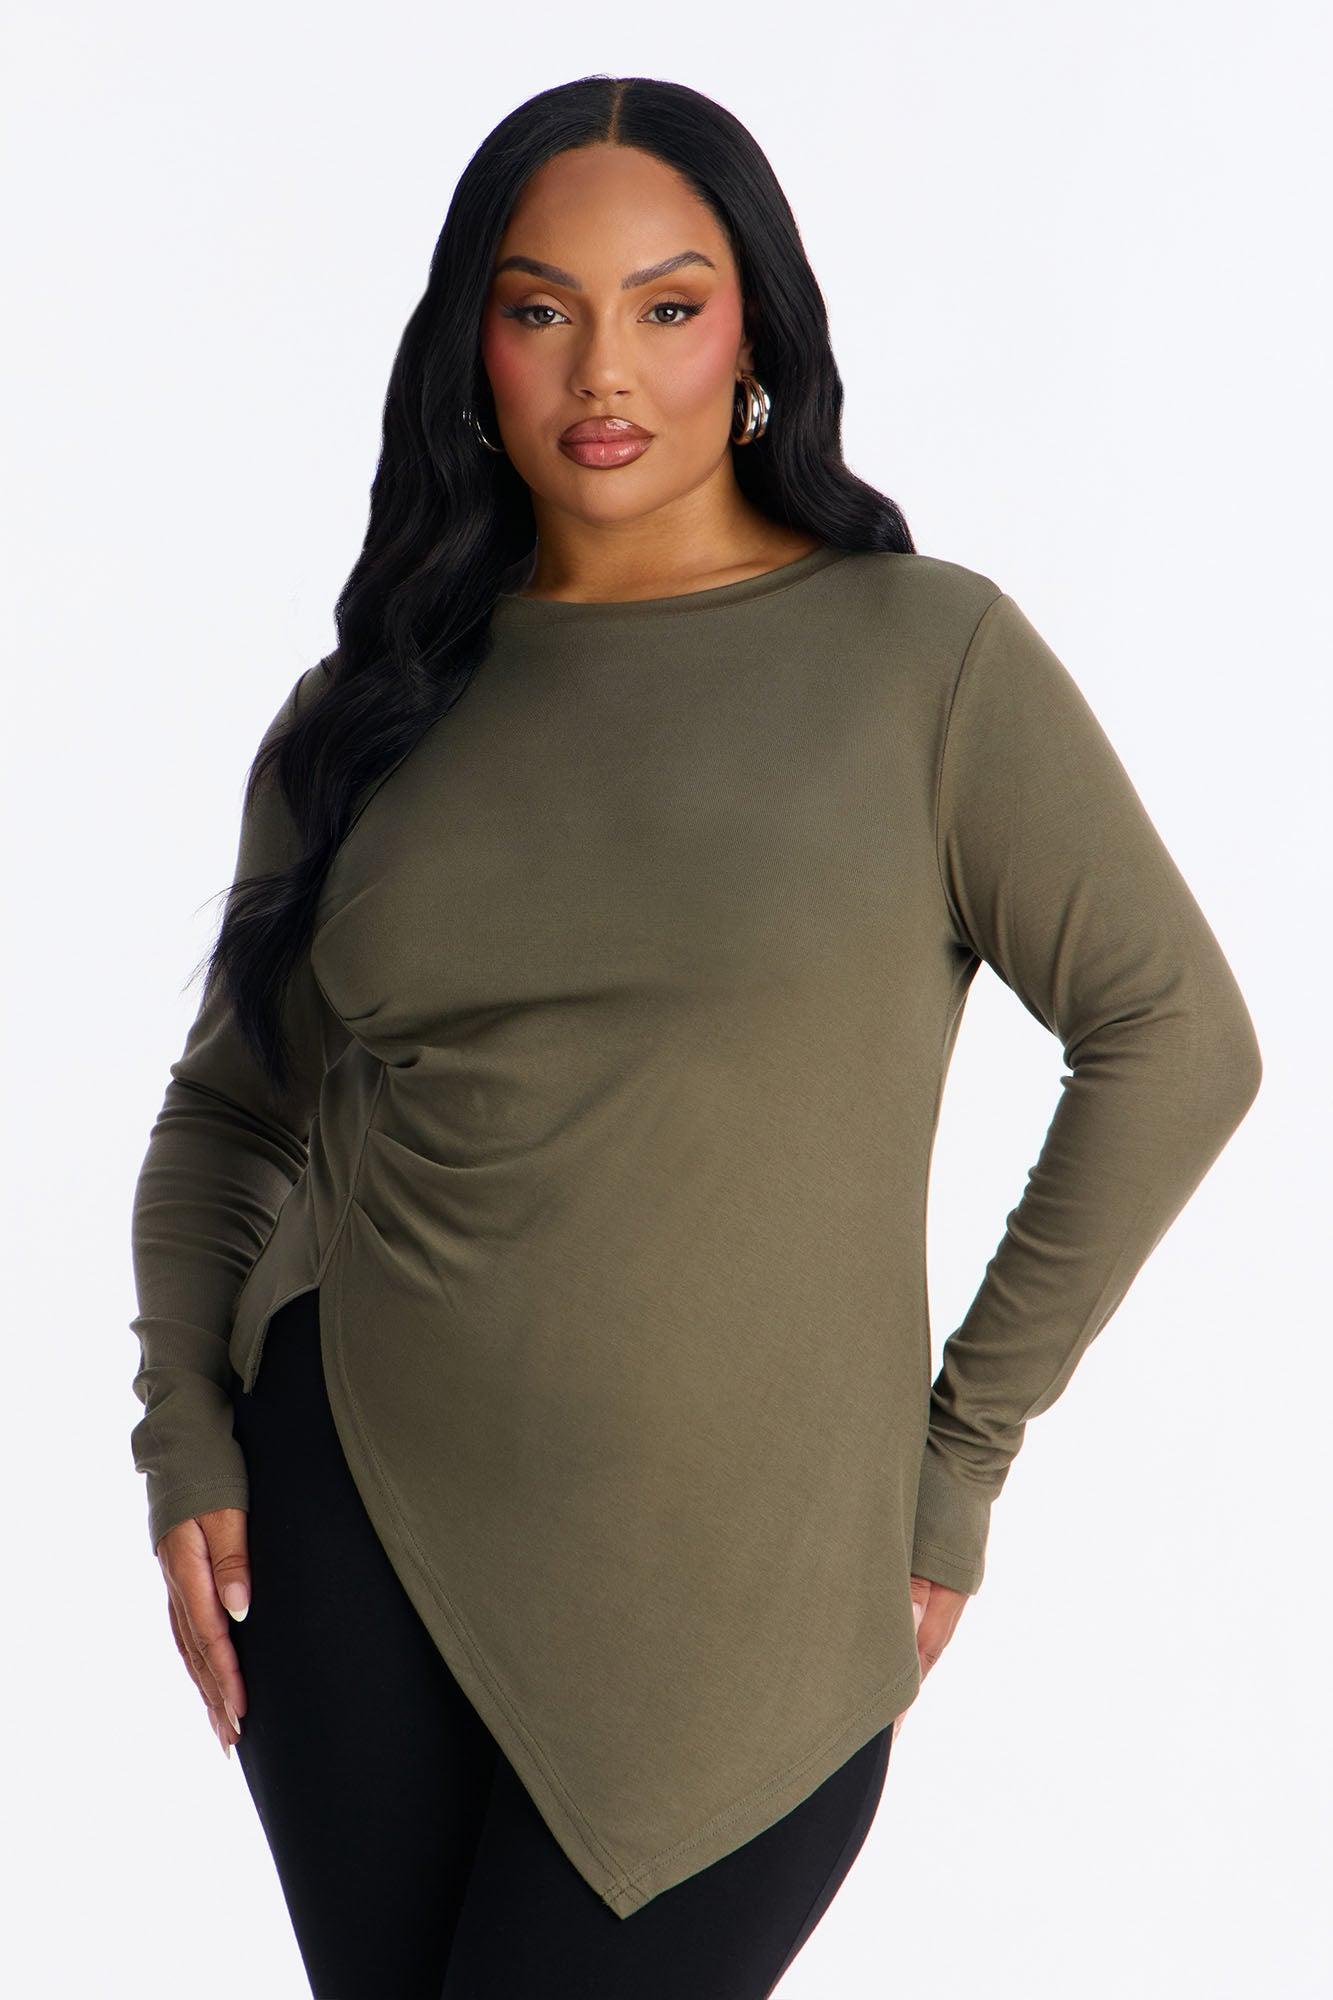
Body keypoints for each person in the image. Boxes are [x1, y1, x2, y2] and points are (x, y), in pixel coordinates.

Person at [127, 74, 1263, 2000]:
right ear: (470, 346)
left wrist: (958, 1458)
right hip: (351, 1533)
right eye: (539, 307)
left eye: (666, 305)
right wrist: (185, 1438)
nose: (603, 369)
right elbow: (231, 1117)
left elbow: (1174, 1038)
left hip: (741, 1593)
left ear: (753, 336)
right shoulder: (366, 711)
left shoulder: (923, 660)